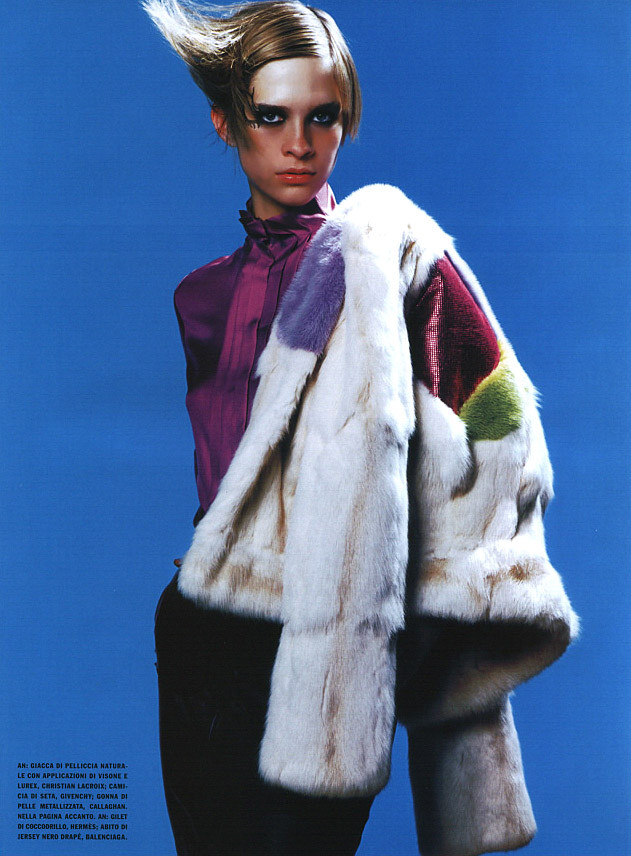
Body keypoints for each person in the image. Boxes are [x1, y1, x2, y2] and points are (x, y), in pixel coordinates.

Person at [144, 2, 579, 855]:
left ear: (344, 122)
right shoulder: (198, 298)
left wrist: (439, 596)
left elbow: (500, 420)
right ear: (226, 122)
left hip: (321, 645)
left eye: (323, 117)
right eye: (271, 116)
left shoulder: (397, 262)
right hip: (198, 632)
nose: (298, 144)